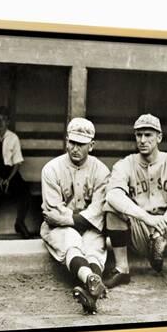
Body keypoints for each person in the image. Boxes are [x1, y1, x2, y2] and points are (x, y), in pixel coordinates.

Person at [40, 118, 110, 314]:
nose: (75, 148)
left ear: (92, 145)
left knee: (94, 247)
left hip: (88, 226)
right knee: (71, 242)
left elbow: (97, 210)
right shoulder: (51, 168)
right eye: (72, 142)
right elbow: (53, 210)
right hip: (59, 228)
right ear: (66, 141)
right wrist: (74, 220)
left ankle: (90, 286)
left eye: (81, 143)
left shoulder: (101, 171)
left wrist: (68, 218)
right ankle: (92, 281)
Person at [103, 114, 167, 288]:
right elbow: (113, 195)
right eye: (139, 135)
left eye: (148, 135)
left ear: (159, 137)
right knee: (111, 207)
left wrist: (164, 223)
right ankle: (122, 270)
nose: (142, 140)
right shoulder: (125, 164)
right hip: (139, 230)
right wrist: (148, 219)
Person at [0, 106, 32, 238]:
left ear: (8, 122)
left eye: (3, 119)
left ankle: (20, 223)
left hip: (10, 172)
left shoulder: (13, 137)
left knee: (25, 191)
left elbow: (17, 162)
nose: (0, 122)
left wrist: (8, 179)